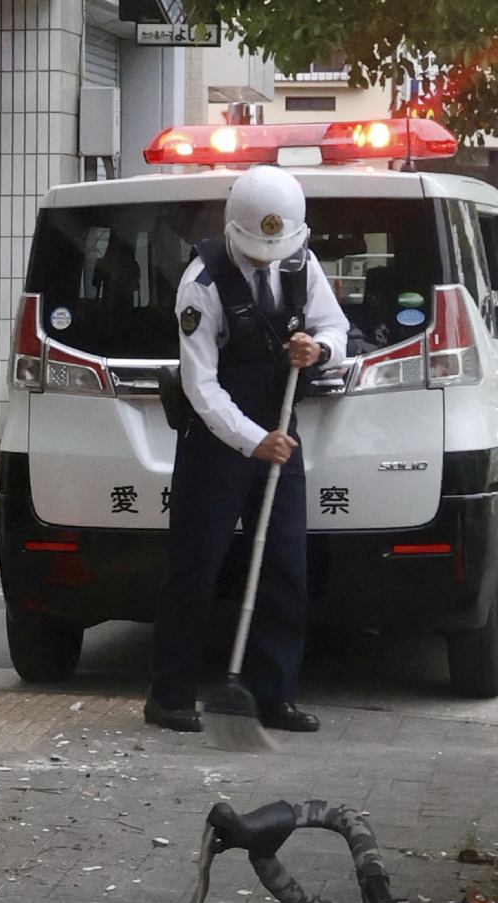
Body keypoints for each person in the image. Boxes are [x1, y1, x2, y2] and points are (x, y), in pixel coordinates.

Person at [145, 165, 349, 734]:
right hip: (219, 443)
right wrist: (252, 441)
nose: (267, 260)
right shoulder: (201, 285)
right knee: (196, 565)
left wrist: (318, 348)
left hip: (280, 432)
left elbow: (335, 325)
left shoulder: (300, 262)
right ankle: (171, 694)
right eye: (259, 251)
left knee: (285, 563)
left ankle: (274, 692)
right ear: (234, 231)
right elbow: (200, 386)